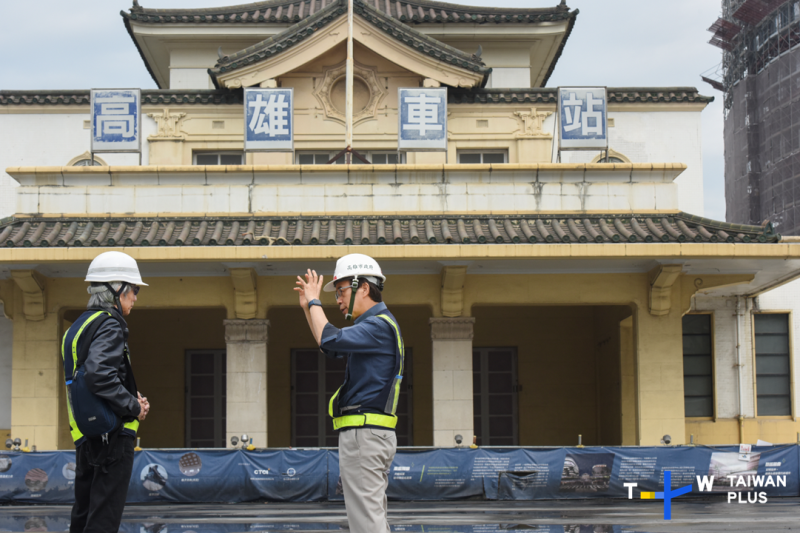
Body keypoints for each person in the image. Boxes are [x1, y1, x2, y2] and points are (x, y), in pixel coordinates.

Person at [295, 253, 404, 533]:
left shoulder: (377, 325)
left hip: (364, 435)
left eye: (341, 290)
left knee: (366, 523)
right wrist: (309, 309)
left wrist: (315, 301)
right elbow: (328, 345)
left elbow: (329, 338)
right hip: (369, 435)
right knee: (370, 517)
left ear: (363, 287)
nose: (339, 300)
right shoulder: (377, 326)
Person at [61, 251, 150, 533]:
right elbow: (100, 374)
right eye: (133, 289)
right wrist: (134, 407)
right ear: (116, 289)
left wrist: (128, 395)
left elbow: (88, 377)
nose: (135, 297)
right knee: (103, 518)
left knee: (84, 515)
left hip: (86, 435)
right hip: (112, 435)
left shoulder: (77, 327)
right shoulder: (111, 323)